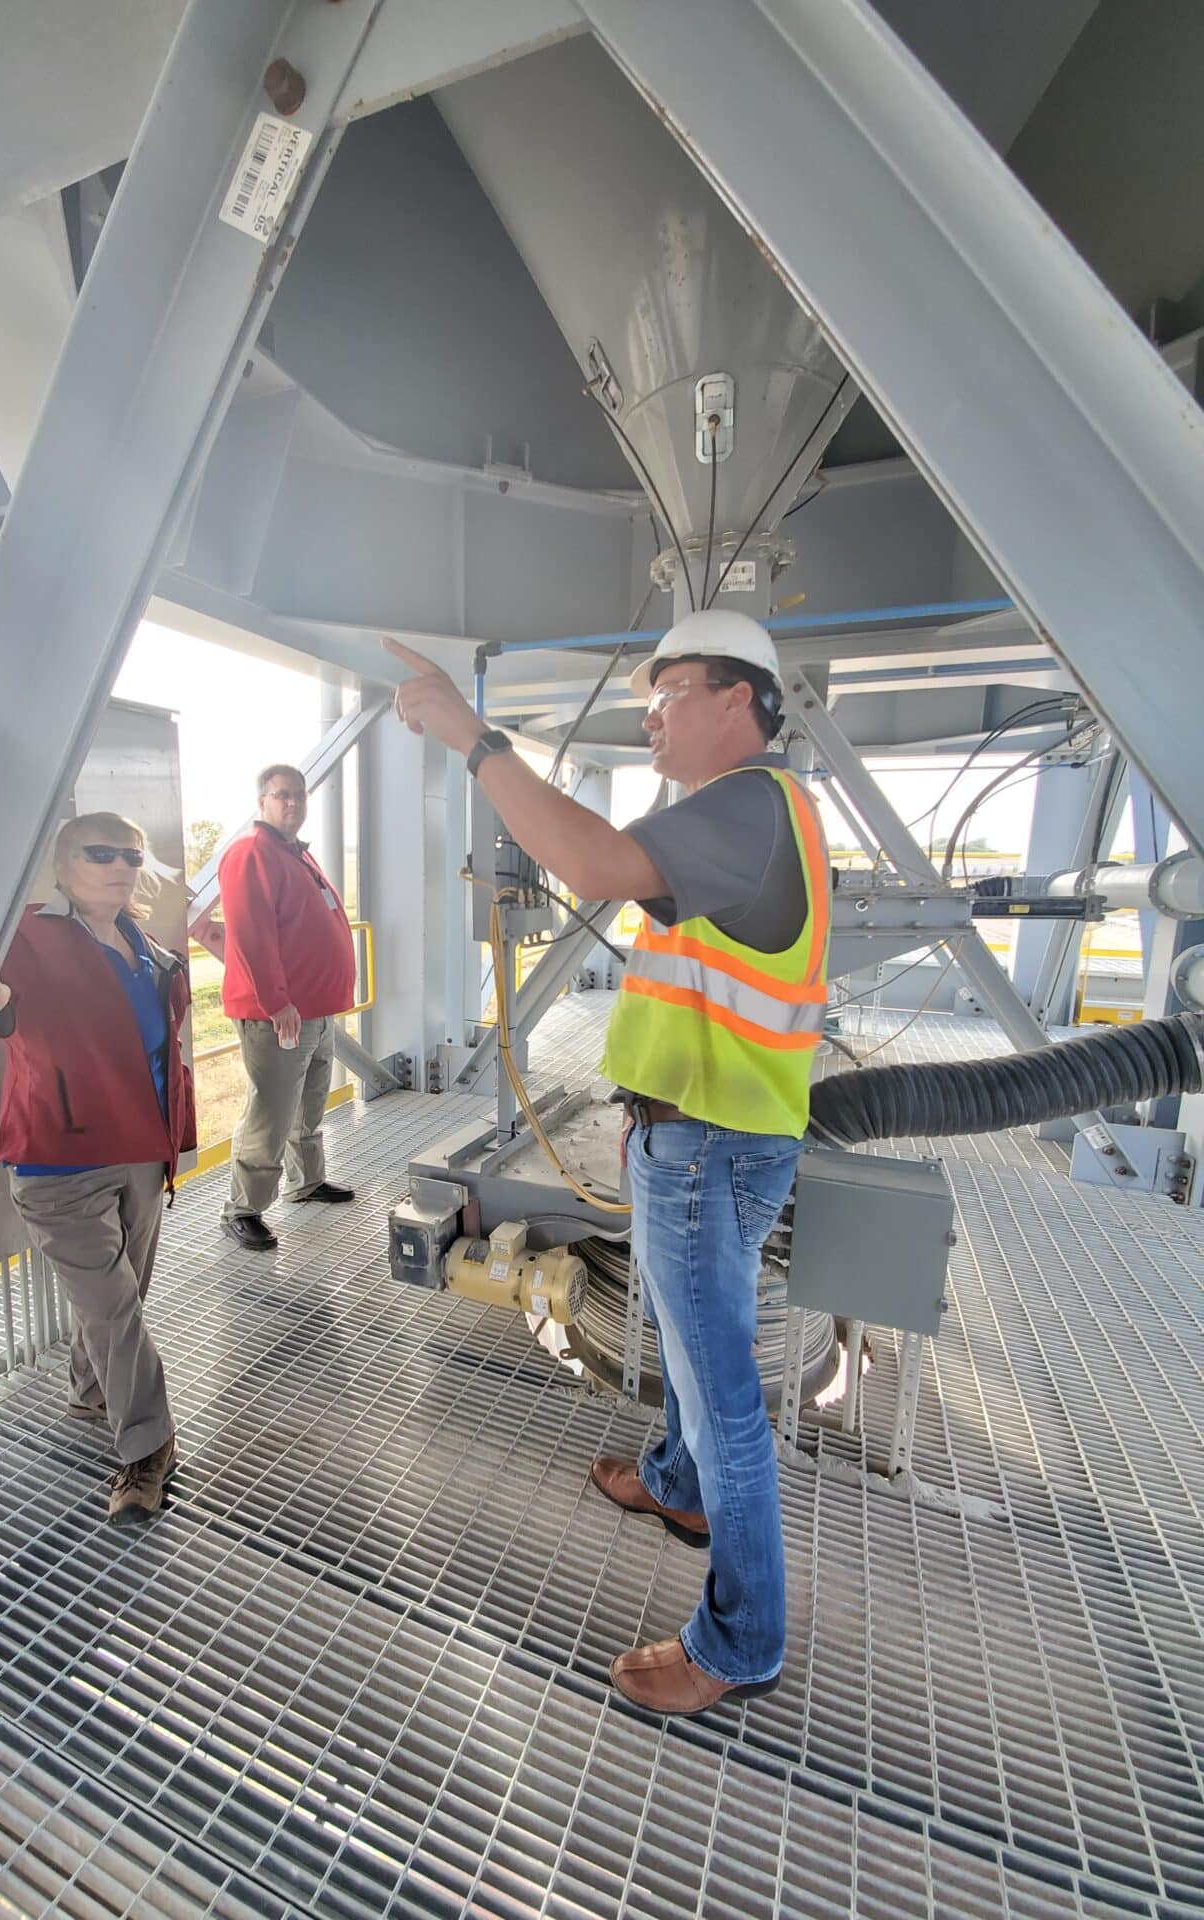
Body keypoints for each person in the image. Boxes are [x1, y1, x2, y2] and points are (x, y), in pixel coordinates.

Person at [385, 607, 830, 1716]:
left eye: (668, 692)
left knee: (722, 1388)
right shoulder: (742, 815)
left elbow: (585, 860)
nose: (650, 716)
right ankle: (678, 1489)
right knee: (688, 1353)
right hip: (693, 1129)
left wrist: (473, 739)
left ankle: (741, 1645)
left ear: (740, 700)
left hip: (710, 1143)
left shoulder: (748, 804)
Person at [0, 811, 196, 1524]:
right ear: (64, 866)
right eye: (99, 853)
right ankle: (146, 1446)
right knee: (112, 1305)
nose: (119, 866)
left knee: (121, 1294)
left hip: (137, 1149)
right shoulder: (28, 942)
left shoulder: (146, 950)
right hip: (57, 1159)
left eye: (131, 855)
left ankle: (88, 1388)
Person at [216, 763, 358, 1252]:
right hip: (278, 1014)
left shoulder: (293, 853)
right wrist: (276, 1002)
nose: (292, 803)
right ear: (262, 802)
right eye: (282, 796)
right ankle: (243, 1209)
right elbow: (252, 934)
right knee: (271, 1111)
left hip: (315, 1010)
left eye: (299, 795)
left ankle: (307, 1182)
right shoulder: (252, 853)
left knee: (309, 1104)